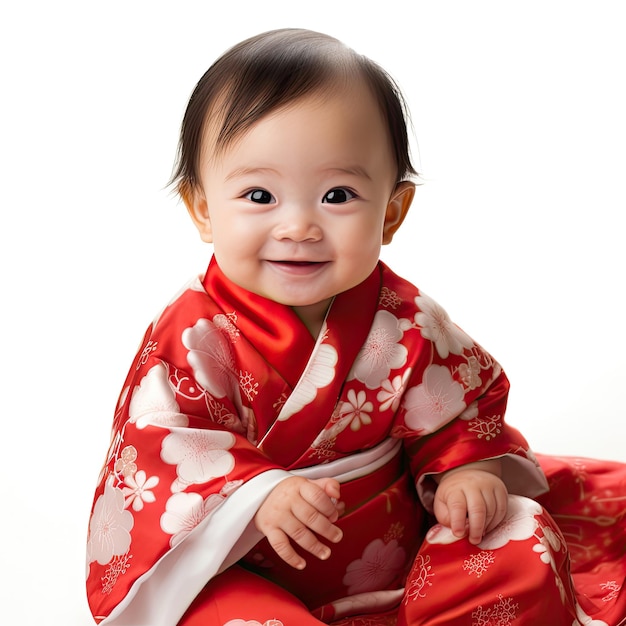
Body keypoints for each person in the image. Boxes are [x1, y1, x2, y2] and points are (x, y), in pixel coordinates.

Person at [86, 29, 626, 625]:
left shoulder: (404, 318)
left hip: (405, 561)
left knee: (517, 532)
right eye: (260, 194)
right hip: (249, 574)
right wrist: (255, 494)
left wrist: (464, 473)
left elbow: (461, 414)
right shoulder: (191, 338)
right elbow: (160, 453)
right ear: (203, 209)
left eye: (337, 194)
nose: (298, 227)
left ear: (392, 212)